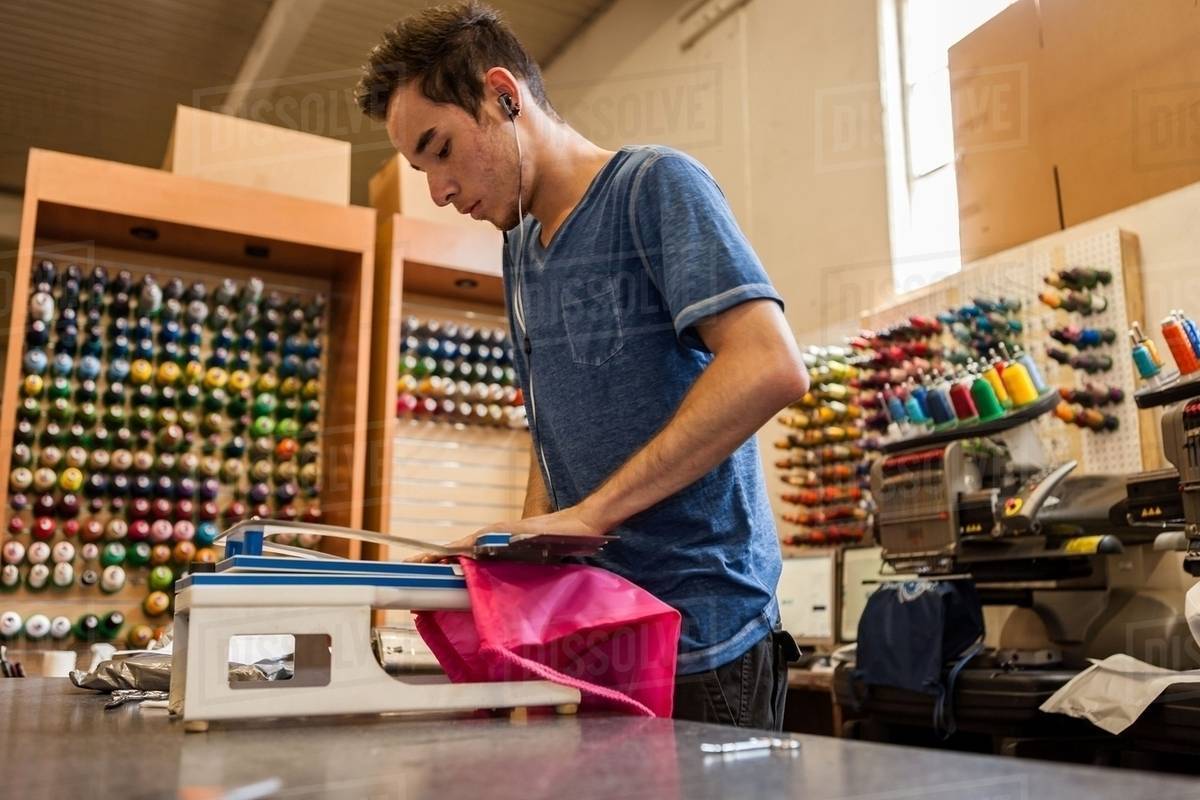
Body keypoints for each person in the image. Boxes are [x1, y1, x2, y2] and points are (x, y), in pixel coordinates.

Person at [356, 1, 809, 729]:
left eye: (440, 150)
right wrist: (511, 560)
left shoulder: (653, 187)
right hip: (600, 637)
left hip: (701, 640)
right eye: (420, 167)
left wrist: (594, 512)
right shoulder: (518, 248)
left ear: (504, 95)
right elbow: (554, 437)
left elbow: (770, 365)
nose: (437, 190)